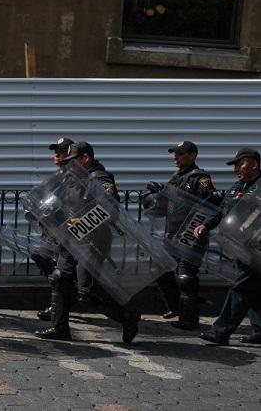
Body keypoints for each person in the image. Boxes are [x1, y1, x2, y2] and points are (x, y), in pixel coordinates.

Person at [34, 142, 140, 343]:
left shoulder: (98, 179)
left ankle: (128, 315)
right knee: (60, 279)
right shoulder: (74, 179)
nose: (69, 165)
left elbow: (111, 210)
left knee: (87, 292)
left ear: (85, 158)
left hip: (92, 241)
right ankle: (59, 327)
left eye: (72, 161)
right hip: (70, 239)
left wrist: (84, 220)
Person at [143, 141, 217, 329]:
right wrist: (155, 197)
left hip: (191, 235)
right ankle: (176, 307)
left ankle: (189, 319)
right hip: (171, 235)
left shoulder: (200, 179)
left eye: (180, 153)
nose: (175, 157)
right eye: (174, 153)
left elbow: (212, 206)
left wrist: (204, 226)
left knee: (185, 276)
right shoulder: (176, 178)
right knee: (162, 270)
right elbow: (164, 208)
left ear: (192, 156)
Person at [200, 148, 261, 345]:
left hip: (257, 249)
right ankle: (260, 331)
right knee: (254, 289)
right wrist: (206, 225)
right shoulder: (237, 187)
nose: (235, 169)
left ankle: (220, 332)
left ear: (253, 163)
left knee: (241, 287)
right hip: (241, 247)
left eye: (239, 164)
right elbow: (222, 211)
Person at [35, 137, 74, 321]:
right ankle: (58, 301)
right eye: (55, 151)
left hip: (73, 236)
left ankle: (126, 315)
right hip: (54, 234)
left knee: (85, 287)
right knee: (41, 256)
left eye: (62, 150)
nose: (57, 154)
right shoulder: (58, 178)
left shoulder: (79, 179)